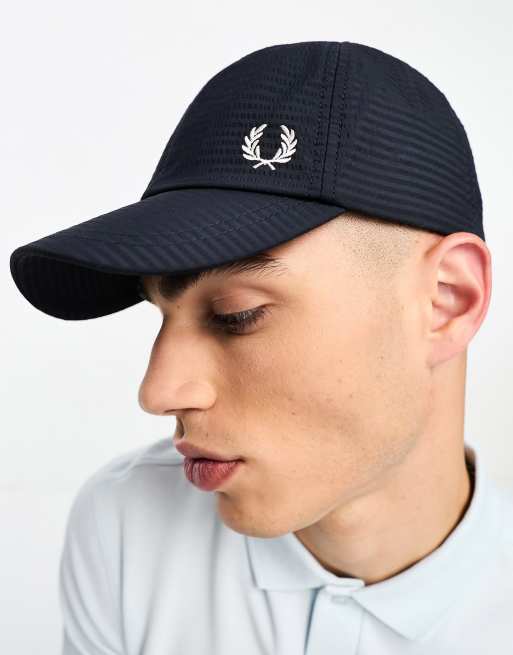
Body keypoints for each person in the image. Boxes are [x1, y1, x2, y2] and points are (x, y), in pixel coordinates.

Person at [10, 41, 512, 654]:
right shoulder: (128, 528)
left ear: (446, 301)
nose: (158, 392)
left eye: (235, 315)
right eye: (160, 313)